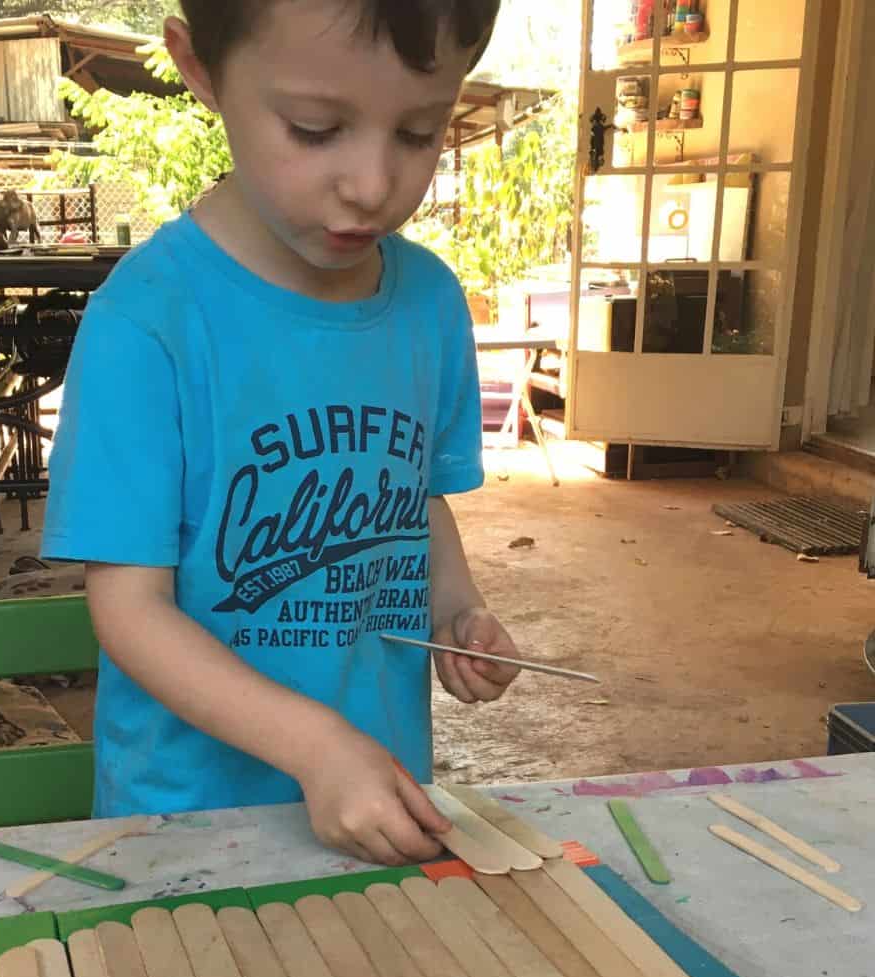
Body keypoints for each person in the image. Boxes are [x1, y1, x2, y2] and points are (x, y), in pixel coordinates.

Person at [43, 0, 525, 867]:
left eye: (419, 133)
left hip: (376, 805)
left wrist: (458, 612)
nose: (374, 184)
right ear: (201, 69)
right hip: (187, 832)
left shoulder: (428, 304)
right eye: (315, 128)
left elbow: (411, 501)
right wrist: (315, 748)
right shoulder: (148, 322)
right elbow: (128, 611)